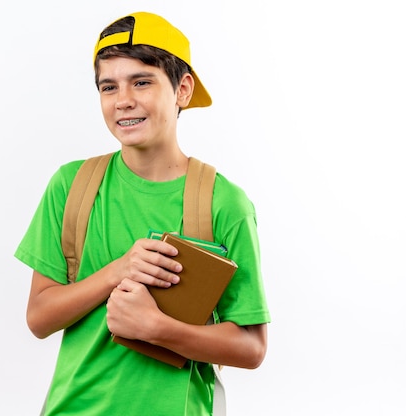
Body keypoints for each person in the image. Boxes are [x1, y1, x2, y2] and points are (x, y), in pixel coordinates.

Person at [15, 11, 270, 415]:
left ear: (182, 89)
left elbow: (252, 347)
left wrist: (157, 329)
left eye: (142, 81)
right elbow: (40, 317)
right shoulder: (72, 186)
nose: (123, 100)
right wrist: (118, 271)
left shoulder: (224, 204)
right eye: (108, 86)